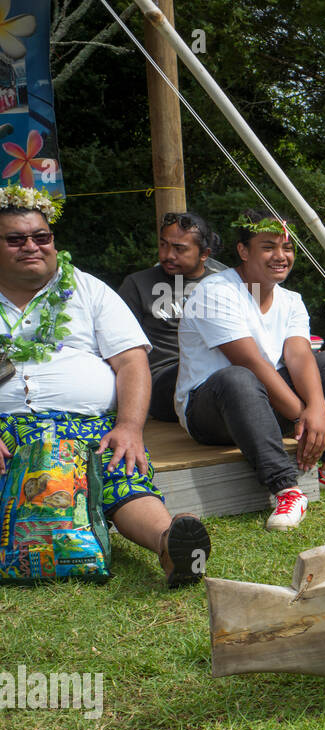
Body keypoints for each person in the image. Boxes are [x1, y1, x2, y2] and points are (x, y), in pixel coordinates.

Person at [0, 186, 210, 587]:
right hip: (4, 427)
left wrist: (130, 426)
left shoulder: (87, 289)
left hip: (89, 425)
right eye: (16, 239)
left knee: (120, 476)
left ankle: (170, 544)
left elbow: (131, 361)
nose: (32, 246)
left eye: (41, 237)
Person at [175, 209, 325, 531]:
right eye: (268, 247)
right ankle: (286, 489)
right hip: (211, 410)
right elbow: (249, 361)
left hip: (266, 401)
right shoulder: (214, 292)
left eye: (287, 248)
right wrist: (299, 417)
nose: (281, 256)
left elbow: (300, 356)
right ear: (244, 251)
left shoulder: (291, 300)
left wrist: (316, 410)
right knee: (239, 377)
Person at [117, 211, 226, 422]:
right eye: (164, 245)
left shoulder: (224, 287)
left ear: (204, 254)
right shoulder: (137, 284)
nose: (168, 255)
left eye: (179, 249)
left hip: (215, 374)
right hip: (162, 380)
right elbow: (119, 346)